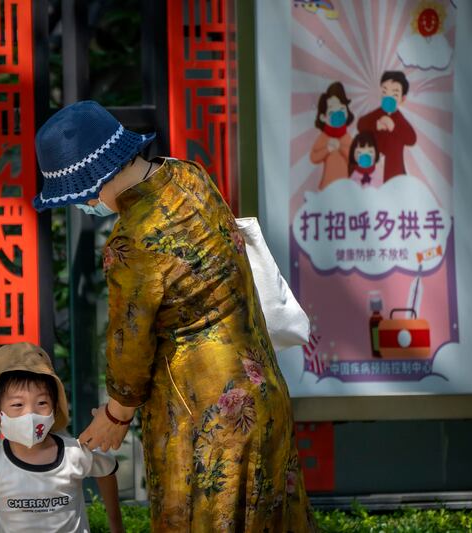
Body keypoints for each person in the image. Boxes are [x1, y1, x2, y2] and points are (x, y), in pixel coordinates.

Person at [33, 101, 317, 531]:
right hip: (262, 393)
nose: (83, 205)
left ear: (92, 182)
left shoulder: (131, 241)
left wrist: (113, 417)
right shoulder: (189, 174)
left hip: (204, 416)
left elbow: (130, 352)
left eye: (78, 196)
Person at [0, 342, 123, 533]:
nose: (30, 414)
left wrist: (116, 526)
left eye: (41, 402)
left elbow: (106, 470)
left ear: (55, 406)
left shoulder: (74, 453)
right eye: (17, 405)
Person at [356, 71, 416, 182]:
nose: (388, 97)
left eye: (394, 94)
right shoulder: (377, 114)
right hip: (375, 166)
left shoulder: (399, 119)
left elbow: (411, 139)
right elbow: (360, 125)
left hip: (394, 169)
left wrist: (394, 127)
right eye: (385, 92)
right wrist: (376, 125)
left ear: (402, 99)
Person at [310, 81, 354, 190]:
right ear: (323, 117)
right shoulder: (324, 137)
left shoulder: (346, 137)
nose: (337, 114)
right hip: (327, 185)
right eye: (331, 112)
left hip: (346, 186)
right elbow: (313, 157)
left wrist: (341, 147)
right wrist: (327, 149)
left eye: (341, 109)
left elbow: (353, 158)